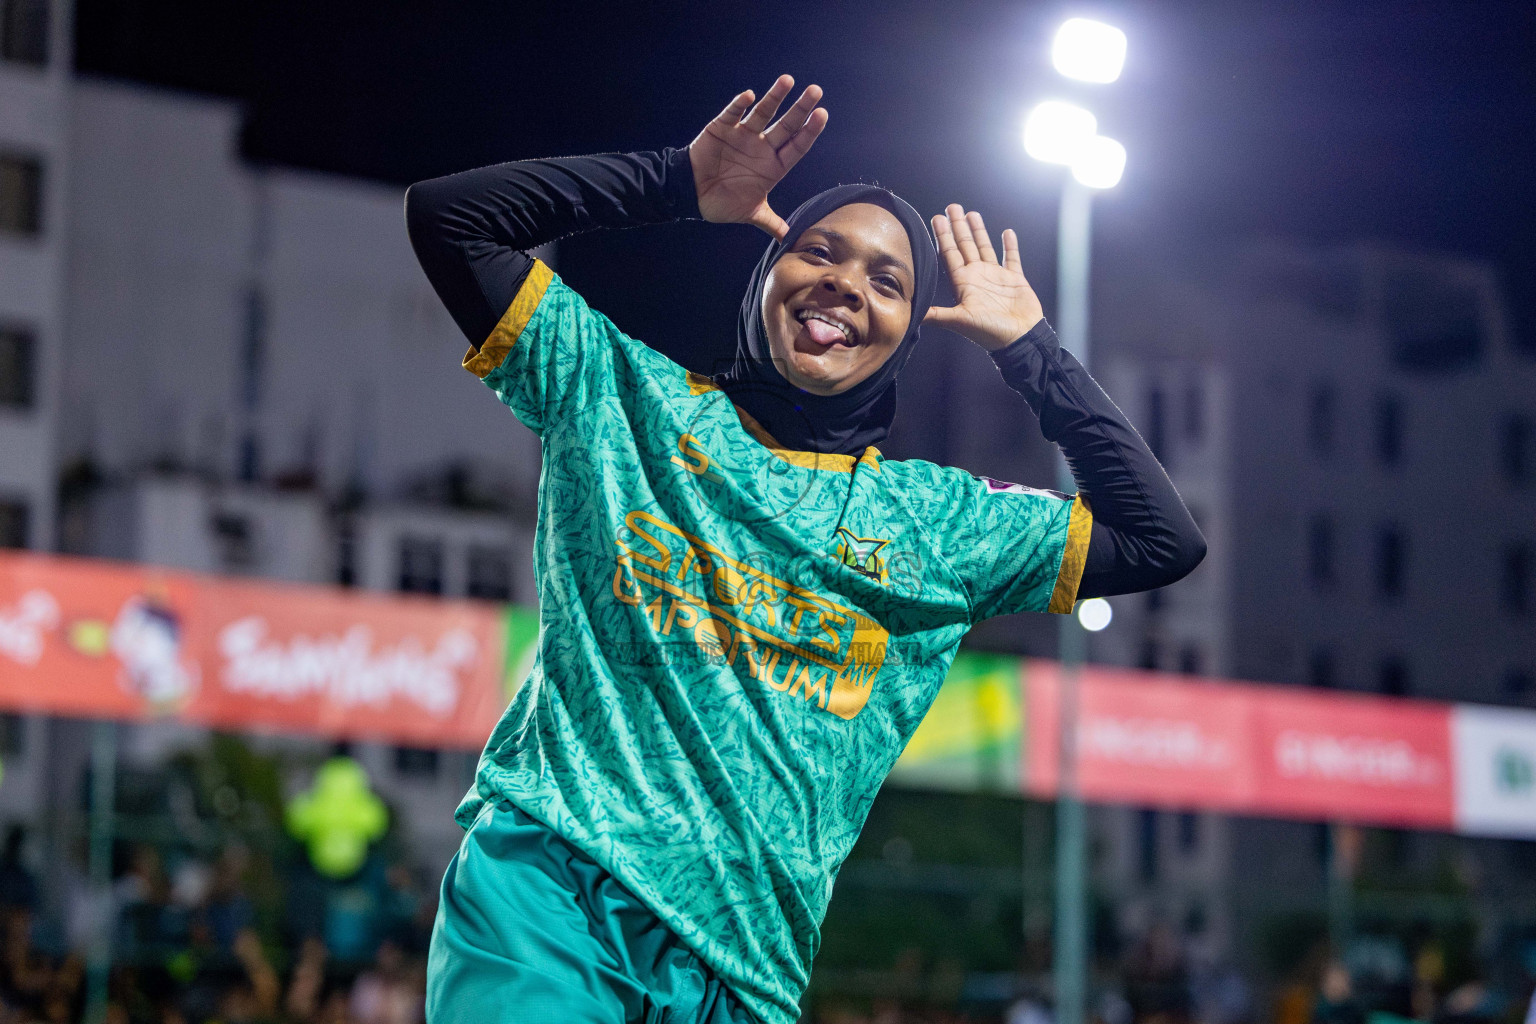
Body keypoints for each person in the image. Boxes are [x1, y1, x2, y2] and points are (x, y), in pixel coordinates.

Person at [405, 75, 1204, 1024]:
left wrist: (1028, 348)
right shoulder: (622, 400)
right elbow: (449, 219)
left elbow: (1162, 538)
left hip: (746, 973)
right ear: (766, 275)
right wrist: (676, 180)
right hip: (550, 895)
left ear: (909, 333)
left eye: (887, 279)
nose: (843, 284)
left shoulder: (935, 524)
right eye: (817, 251)